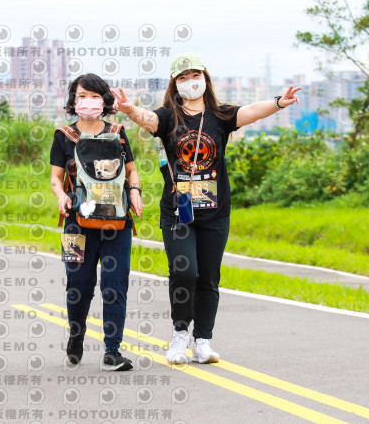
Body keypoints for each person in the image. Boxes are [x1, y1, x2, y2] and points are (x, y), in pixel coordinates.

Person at [111, 53, 301, 364]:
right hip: (179, 211)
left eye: (195, 75)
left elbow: (252, 111)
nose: (190, 82)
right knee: (184, 271)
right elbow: (150, 120)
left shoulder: (220, 115)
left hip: (215, 212)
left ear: (205, 78)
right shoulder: (170, 116)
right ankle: (179, 335)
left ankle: (203, 341)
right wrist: (130, 109)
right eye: (183, 78)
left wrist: (280, 102)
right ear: (175, 84)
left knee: (209, 277)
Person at [50, 73, 144, 371]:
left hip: (117, 221)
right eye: (82, 96)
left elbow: (131, 170)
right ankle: (76, 334)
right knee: (78, 286)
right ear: (73, 100)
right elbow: (55, 178)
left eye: (94, 96)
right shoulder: (63, 135)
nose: (88, 101)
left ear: (104, 101)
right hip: (75, 223)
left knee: (115, 285)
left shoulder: (118, 132)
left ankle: (112, 351)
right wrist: (60, 196)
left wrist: (135, 191)